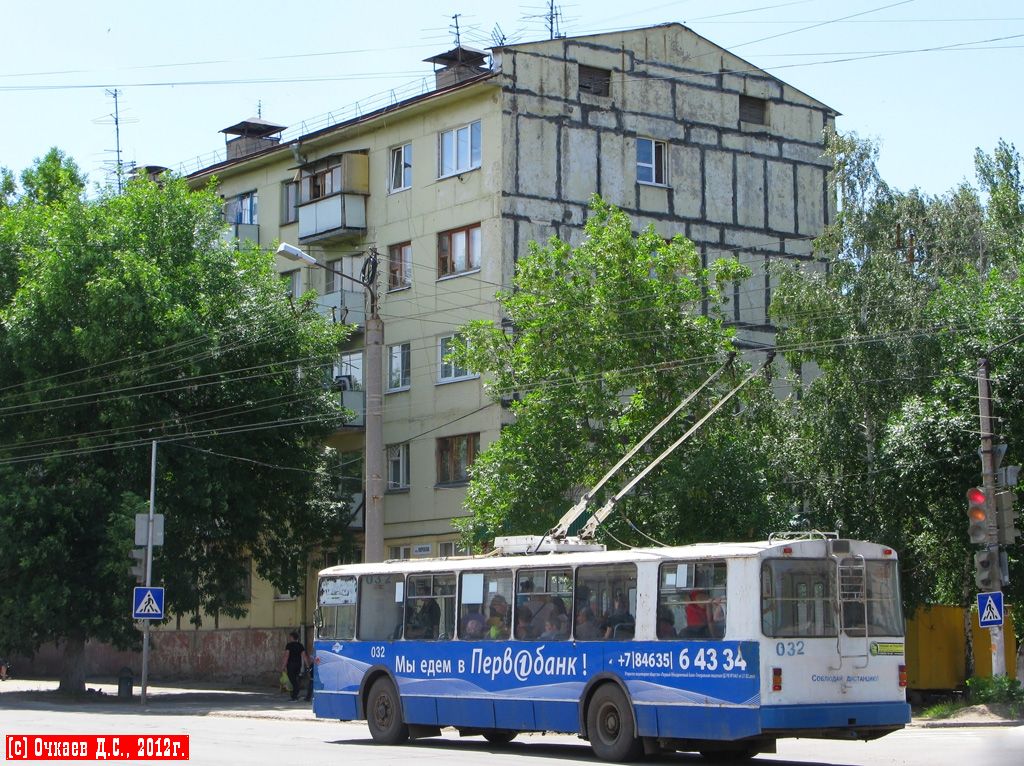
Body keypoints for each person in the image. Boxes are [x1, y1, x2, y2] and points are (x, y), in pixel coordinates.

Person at [281, 631, 310, 701]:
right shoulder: (300, 645)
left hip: (291, 664)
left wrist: (283, 665)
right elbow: (304, 656)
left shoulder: (289, 645)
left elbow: (286, 655)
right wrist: (307, 665)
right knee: (295, 678)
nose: (289, 638)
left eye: (290, 637)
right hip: (298, 664)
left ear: (292, 637)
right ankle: (295, 693)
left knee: (292, 679)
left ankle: (295, 694)